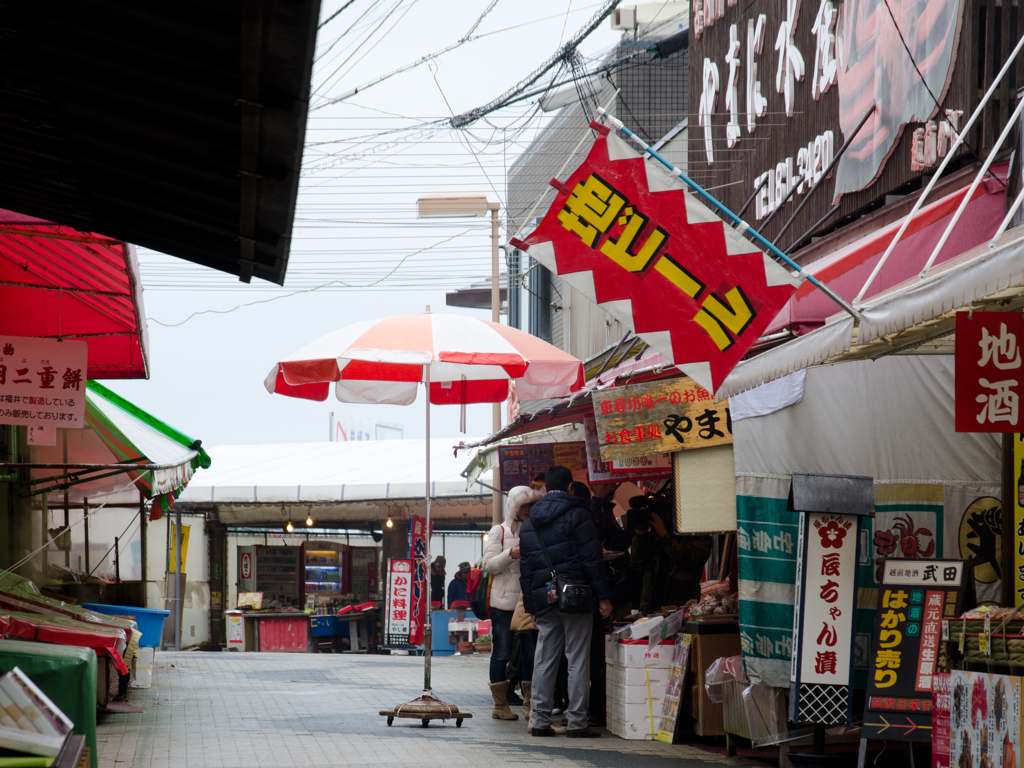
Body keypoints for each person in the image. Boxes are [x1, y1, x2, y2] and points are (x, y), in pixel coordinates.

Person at [519, 465, 612, 739]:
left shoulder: (529, 523)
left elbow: (526, 570)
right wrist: (603, 596)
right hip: (577, 598)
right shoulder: (579, 514)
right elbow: (591, 559)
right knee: (577, 659)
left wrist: (531, 606)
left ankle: (539, 721)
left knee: (544, 660)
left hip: (544, 599)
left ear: (545, 488)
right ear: (571, 487)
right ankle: (577, 722)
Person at [482, 485, 542, 720]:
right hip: (503, 604)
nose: (528, 510)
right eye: (523, 505)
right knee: (502, 654)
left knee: (530, 654)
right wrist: (511, 554)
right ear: (514, 507)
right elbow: (488, 565)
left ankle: (529, 705)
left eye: (531, 505)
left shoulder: (536, 529)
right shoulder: (499, 531)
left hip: (528, 602)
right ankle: (500, 706)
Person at [631, 496, 713, 614]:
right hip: (651, 604)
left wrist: (664, 535)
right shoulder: (653, 533)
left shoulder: (698, 533)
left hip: (681, 604)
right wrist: (640, 536)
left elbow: (689, 561)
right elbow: (637, 564)